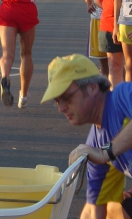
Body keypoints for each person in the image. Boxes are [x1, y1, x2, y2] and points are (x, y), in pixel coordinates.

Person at [41, 54, 132, 219]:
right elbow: (96, 206)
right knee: (109, 210)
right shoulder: (96, 144)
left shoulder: (122, 95)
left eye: (66, 98)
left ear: (92, 87)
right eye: (57, 101)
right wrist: (104, 152)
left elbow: (106, 151)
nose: (61, 108)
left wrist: (106, 153)